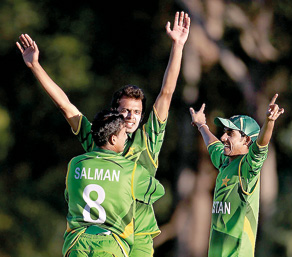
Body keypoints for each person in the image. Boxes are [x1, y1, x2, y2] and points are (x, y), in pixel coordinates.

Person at [16, 11, 190, 256]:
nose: (131, 116)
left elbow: (167, 93)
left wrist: (178, 46)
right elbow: (66, 106)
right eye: (125, 110)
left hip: (139, 234)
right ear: (113, 112)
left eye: (137, 112)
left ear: (143, 115)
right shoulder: (98, 139)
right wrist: (35, 66)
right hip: (103, 236)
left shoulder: (148, 139)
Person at [189, 94, 284, 257]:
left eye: (230, 134)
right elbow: (213, 145)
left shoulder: (248, 168)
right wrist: (201, 125)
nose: (223, 137)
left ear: (246, 140)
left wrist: (269, 122)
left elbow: (260, 146)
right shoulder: (225, 161)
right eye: (225, 132)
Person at [63, 109, 165, 257]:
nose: (126, 138)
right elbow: (157, 191)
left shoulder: (75, 164)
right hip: (110, 245)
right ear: (113, 139)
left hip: (76, 244)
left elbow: (69, 196)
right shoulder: (130, 170)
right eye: (124, 134)